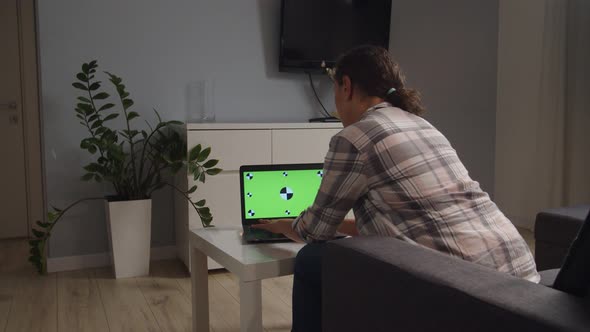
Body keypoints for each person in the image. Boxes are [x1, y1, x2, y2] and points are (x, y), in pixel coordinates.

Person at [253, 45, 540, 332]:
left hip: (468, 295)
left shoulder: (354, 137)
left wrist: (286, 225)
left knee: (311, 260)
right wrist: (338, 225)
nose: (335, 104)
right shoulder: (423, 125)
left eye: (335, 91)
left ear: (347, 86)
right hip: (523, 280)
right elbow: (407, 218)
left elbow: (314, 232)